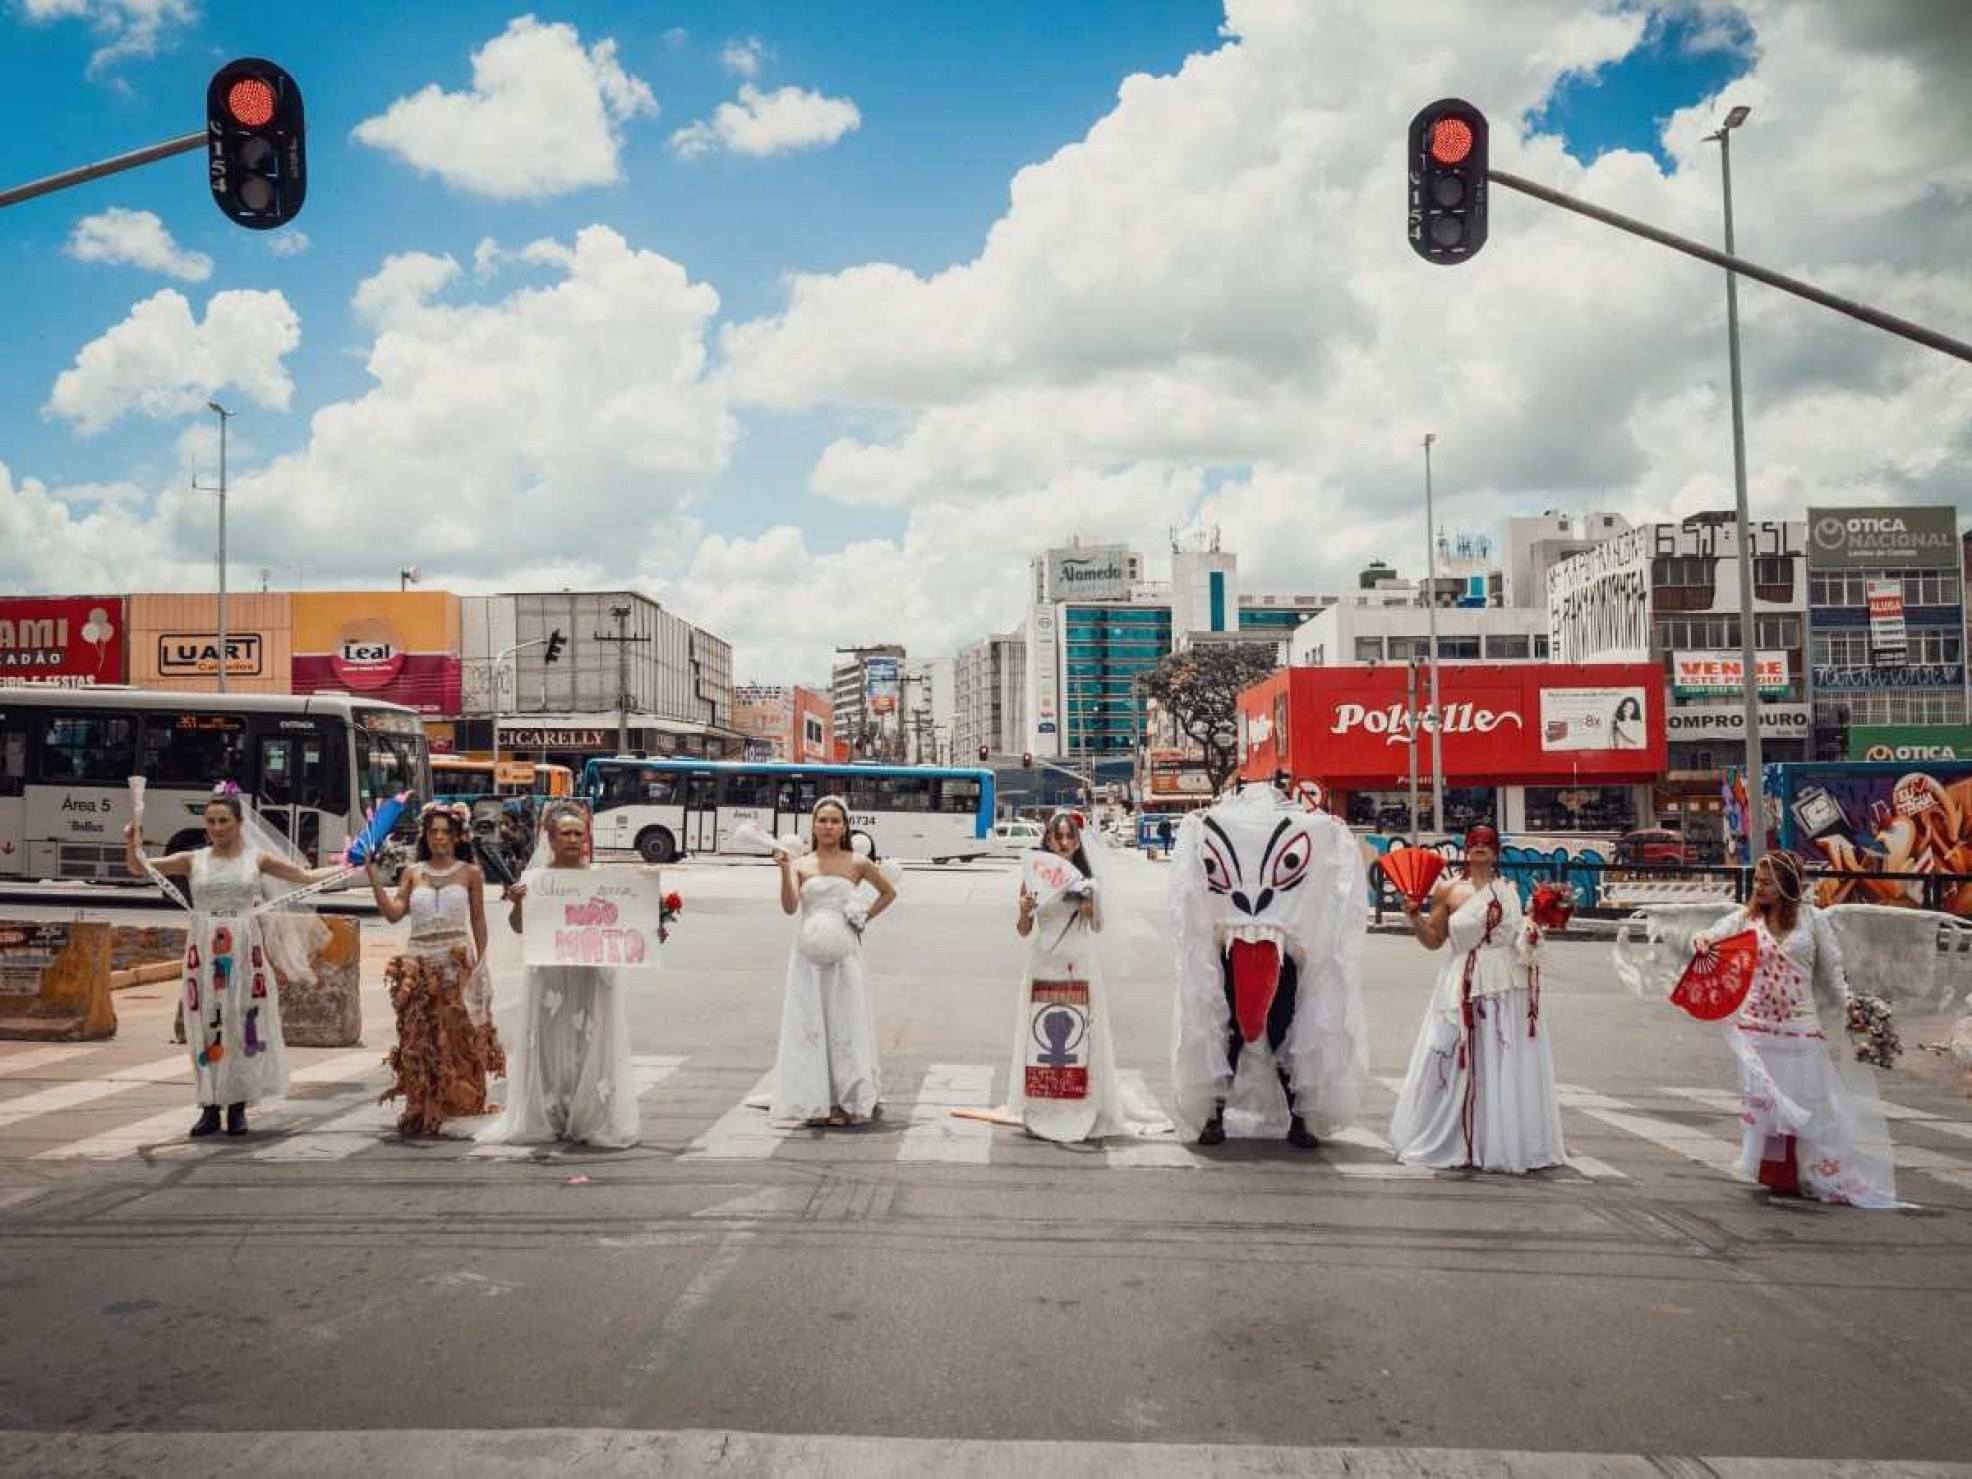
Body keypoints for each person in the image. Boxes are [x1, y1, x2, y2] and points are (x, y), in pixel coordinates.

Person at [122, 785, 339, 1138]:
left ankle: (237, 1106)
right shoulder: (193, 859)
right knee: (206, 1022)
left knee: (242, 1023)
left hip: (243, 947)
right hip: (204, 948)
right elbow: (139, 868)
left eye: (223, 820)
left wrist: (355, 864)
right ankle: (209, 1105)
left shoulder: (257, 859)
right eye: (211, 822)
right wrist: (132, 844)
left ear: (239, 823)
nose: (217, 828)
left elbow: (306, 877)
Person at [1688, 850, 1900, 1207]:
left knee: (1808, 1103)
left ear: (1788, 884)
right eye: (1757, 881)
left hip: (1801, 1028)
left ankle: (1813, 1171)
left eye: (1767, 882)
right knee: (1770, 1107)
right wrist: (1702, 939)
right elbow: (1709, 933)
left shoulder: (1813, 921)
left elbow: (1832, 975)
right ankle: (1776, 1174)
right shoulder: (1745, 919)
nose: (1759, 887)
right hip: (1758, 1029)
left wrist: (1851, 1005)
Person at [1389, 824, 1566, 1174]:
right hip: (1463, 982)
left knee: (1501, 1062)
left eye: (1487, 843)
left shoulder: (1511, 891)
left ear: (1497, 850)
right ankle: (1455, 1137)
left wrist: (1533, 932)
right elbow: (1433, 941)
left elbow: (1519, 935)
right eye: (1474, 843)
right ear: (1465, 849)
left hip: (1506, 986)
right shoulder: (1449, 890)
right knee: (1456, 1057)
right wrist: (1414, 917)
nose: (1481, 848)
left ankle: (1496, 1139)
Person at [476, 801, 639, 1150]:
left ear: (586, 839)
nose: (572, 839)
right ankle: (550, 1112)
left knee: (588, 1040)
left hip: (589, 973)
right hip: (550, 974)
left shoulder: (601, 880)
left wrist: (648, 928)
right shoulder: (536, 881)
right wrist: (519, 903)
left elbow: (623, 921)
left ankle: (588, 1113)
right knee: (550, 1042)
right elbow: (520, 928)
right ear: (550, 838)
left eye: (578, 834)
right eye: (565, 833)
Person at [367, 802, 505, 1137]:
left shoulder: (469, 873)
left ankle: (459, 1102)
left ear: (457, 836)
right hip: (420, 962)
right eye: (433, 832)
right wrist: (373, 879)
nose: (439, 837)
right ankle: (424, 1104)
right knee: (421, 1036)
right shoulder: (413, 873)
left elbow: (478, 921)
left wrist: (480, 964)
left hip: (457, 960)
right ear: (425, 836)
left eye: (445, 831)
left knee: (458, 1035)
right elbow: (394, 914)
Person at [769, 796, 897, 1127]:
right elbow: (788, 907)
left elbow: (888, 892)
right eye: (822, 820)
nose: (827, 826)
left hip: (845, 957)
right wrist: (785, 871)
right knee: (810, 1024)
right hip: (807, 957)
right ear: (813, 826)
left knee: (844, 1024)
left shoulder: (857, 862)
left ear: (844, 827)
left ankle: (845, 1098)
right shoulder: (800, 864)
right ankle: (815, 1098)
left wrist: (863, 915)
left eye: (834, 821)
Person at [1008, 810, 1127, 1142]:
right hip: (1043, 961)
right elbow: (1023, 930)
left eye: (1069, 836)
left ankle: (1083, 1102)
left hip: (1078, 960)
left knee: (1081, 1034)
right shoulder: (1033, 874)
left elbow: (1098, 927)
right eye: (1056, 836)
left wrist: (1091, 903)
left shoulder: (1087, 879)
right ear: (1046, 838)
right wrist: (1024, 910)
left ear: (1078, 840)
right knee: (1039, 1036)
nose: (1062, 843)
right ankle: (1041, 1104)